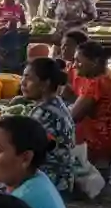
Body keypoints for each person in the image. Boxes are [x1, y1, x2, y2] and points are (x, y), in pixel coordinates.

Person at [20, 57, 75, 194]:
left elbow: (21, 149)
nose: (23, 83)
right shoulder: (57, 103)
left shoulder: (44, 112)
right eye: (23, 77)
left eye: (29, 79)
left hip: (49, 180)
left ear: (45, 84)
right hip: (62, 178)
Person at [71, 40, 111, 168]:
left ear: (95, 62)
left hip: (102, 142)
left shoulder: (99, 83)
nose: (75, 65)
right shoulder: (105, 76)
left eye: (78, 61)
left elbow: (73, 116)